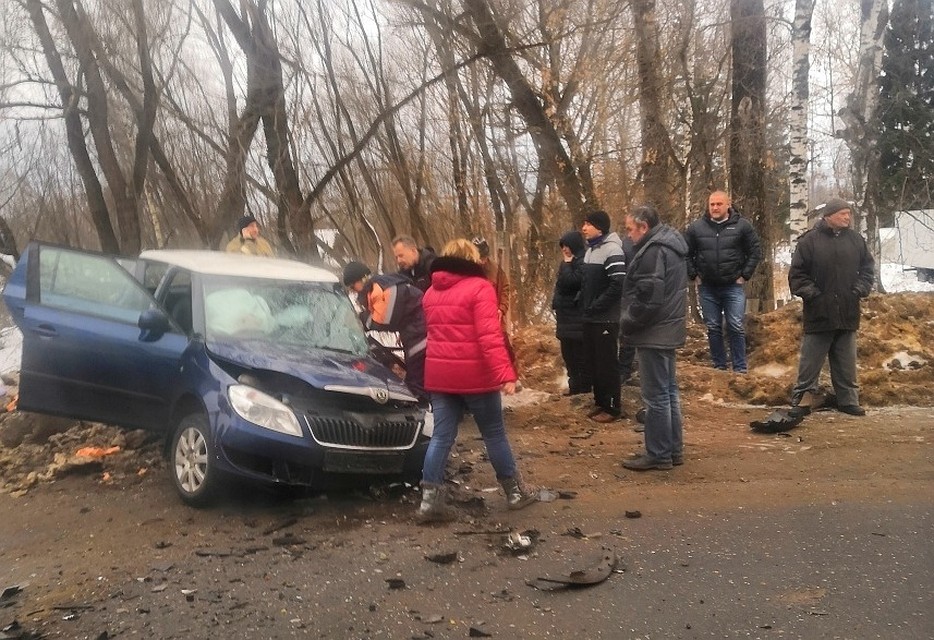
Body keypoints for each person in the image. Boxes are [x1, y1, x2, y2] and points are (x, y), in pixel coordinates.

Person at [416, 238, 536, 522]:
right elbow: (489, 337)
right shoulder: (480, 288)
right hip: (475, 377)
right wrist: (505, 375)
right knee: (493, 432)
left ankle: (429, 502)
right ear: (472, 259)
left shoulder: (430, 292)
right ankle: (515, 493)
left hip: (441, 376)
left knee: (442, 437)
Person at [789, 198, 874, 417]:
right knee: (810, 362)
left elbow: (867, 269)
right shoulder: (809, 242)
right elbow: (797, 275)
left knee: (846, 362)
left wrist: (859, 290)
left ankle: (848, 401)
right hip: (819, 312)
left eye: (849, 214)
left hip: (847, 310)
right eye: (842, 214)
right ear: (828, 216)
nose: (847, 217)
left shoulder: (856, 240)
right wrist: (814, 296)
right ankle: (802, 400)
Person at [619, 204, 688, 471]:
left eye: (630, 230)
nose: (628, 236)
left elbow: (648, 299)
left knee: (656, 396)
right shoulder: (670, 246)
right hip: (667, 329)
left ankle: (659, 454)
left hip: (653, 332)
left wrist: (627, 321)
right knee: (668, 393)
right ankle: (672, 450)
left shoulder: (653, 251)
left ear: (643, 227)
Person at [684, 191, 761, 373]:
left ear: (728, 205)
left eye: (719, 204)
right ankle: (719, 366)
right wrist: (694, 275)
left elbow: (755, 251)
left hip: (733, 285)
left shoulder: (742, 226)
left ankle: (740, 367)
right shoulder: (696, 228)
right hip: (708, 287)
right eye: (712, 204)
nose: (715, 208)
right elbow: (686, 253)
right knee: (713, 327)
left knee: (735, 325)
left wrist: (745, 275)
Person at [342, 261, 428, 403]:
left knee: (416, 379)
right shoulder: (379, 287)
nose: (354, 290)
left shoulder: (381, 288)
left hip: (420, 332)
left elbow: (383, 320)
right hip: (414, 332)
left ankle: (423, 408)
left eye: (353, 285)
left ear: (362, 279)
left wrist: (359, 321)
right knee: (418, 374)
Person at [579, 210, 626, 423]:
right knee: (594, 362)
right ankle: (600, 402)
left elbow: (617, 285)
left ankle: (613, 407)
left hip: (606, 317)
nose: (584, 228)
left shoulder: (613, 250)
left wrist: (597, 306)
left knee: (607, 363)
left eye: (588, 224)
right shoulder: (589, 251)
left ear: (599, 227)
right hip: (590, 317)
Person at [552, 230, 590, 395]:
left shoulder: (582, 260)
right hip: (565, 317)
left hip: (577, 317)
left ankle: (583, 388)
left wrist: (567, 265)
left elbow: (572, 282)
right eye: (563, 246)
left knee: (580, 356)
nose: (565, 249)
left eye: (567, 246)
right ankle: (574, 385)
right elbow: (561, 284)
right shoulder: (566, 262)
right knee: (568, 356)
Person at [472, 236, 518, 372]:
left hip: (495, 316)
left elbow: (505, 288)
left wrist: (502, 309)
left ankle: (512, 375)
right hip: (475, 318)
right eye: (479, 258)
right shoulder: (467, 271)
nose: (482, 261)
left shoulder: (496, 270)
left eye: (484, 257)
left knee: (505, 347)